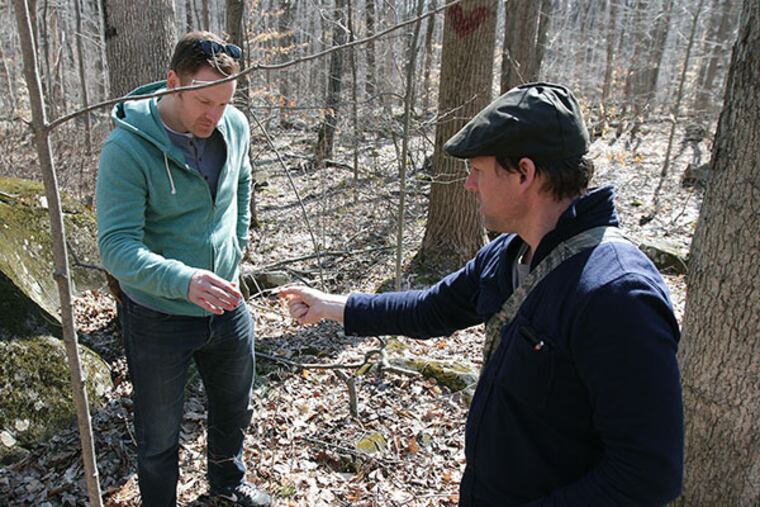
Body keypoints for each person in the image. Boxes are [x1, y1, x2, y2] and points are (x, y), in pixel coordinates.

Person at [281, 83, 683, 506]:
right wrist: (332, 306)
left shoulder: (616, 294)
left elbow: (648, 475)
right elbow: (432, 308)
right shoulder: (510, 252)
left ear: (524, 173)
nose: (469, 184)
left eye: (479, 170)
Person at [96, 31, 270, 507]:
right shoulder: (126, 150)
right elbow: (115, 247)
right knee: (158, 436)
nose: (215, 116)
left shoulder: (232, 126)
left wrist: (237, 242)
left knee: (234, 408)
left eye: (225, 102)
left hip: (228, 303)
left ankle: (227, 486)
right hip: (158, 316)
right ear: (173, 82)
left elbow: (244, 179)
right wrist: (184, 280)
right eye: (204, 100)